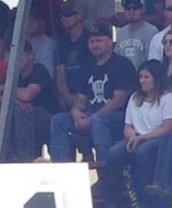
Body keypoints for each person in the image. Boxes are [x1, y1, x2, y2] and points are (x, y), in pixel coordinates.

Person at [49, 26, 136, 170]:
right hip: (93, 115)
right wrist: (76, 113)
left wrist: (91, 119)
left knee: (98, 120)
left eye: (99, 41)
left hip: (120, 117)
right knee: (58, 120)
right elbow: (81, 99)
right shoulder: (89, 66)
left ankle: (106, 173)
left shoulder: (121, 64)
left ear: (110, 43)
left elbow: (119, 100)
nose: (95, 45)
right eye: (92, 41)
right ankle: (61, 170)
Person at [101, 59, 172, 208]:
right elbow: (128, 126)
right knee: (113, 154)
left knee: (143, 152)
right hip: (136, 138)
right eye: (141, 77)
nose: (142, 80)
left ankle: (145, 202)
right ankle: (113, 202)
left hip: (159, 139)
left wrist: (142, 138)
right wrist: (132, 137)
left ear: (156, 78)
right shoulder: (134, 98)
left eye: (146, 77)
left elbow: (167, 127)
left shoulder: (169, 97)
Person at [0, 41, 59, 162]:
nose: (16, 58)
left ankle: (26, 157)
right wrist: (12, 101)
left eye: (20, 54)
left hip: (49, 119)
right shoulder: (13, 75)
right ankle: (9, 156)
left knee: (19, 110)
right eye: (13, 54)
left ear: (30, 56)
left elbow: (26, 96)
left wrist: (7, 90)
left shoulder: (39, 70)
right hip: (24, 121)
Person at [114, 0, 155, 68]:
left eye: (135, 8)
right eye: (128, 8)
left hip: (143, 78)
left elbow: (152, 61)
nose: (131, 11)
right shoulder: (121, 33)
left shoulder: (151, 31)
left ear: (142, 9)